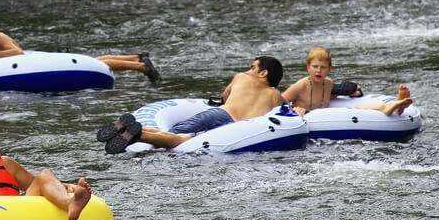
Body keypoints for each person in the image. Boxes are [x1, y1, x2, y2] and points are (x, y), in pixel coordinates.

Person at [96, 56, 287, 154]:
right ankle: (137, 135)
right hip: (235, 130)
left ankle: (135, 132)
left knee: (176, 132)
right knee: (182, 139)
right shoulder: (277, 96)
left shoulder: (241, 78)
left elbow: (224, 96)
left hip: (219, 114)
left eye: (253, 67)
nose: (249, 70)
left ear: (263, 73)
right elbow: (284, 115)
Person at [0, 10, 161, 83]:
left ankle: (141, 66)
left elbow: (18, 52)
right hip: (28, 61)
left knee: (93, 63)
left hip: (27, 62)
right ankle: (137, 57)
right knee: (95, 61)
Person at [282, 46, 413, 117]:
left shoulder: (328, 84)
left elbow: (328, 96)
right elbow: (278, 103)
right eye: (315, 67)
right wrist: (294, 114)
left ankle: (394, 106)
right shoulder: (300, 86)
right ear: (308, 67)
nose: (318, 71)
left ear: (329, 69)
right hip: (305, 117)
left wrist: (353, 94)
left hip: (322, 117)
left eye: (323, 67)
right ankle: (390, 108)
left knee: (356, 107)